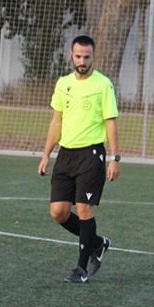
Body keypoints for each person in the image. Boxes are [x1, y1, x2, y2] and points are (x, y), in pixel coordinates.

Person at [37, 35, 120, 283]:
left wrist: (115, 158)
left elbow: (111, 122)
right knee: (59, 212)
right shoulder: (63, 84)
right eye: (78, 56)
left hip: (91, 155)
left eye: (86, 57)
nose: (82, 61)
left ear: (93, 57)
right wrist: (46, 154)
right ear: (71, 56)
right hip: (66, 154)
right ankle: (98, 243)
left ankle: (81, 270)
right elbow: (56, 121)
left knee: (84, 208)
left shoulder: (103, 85)